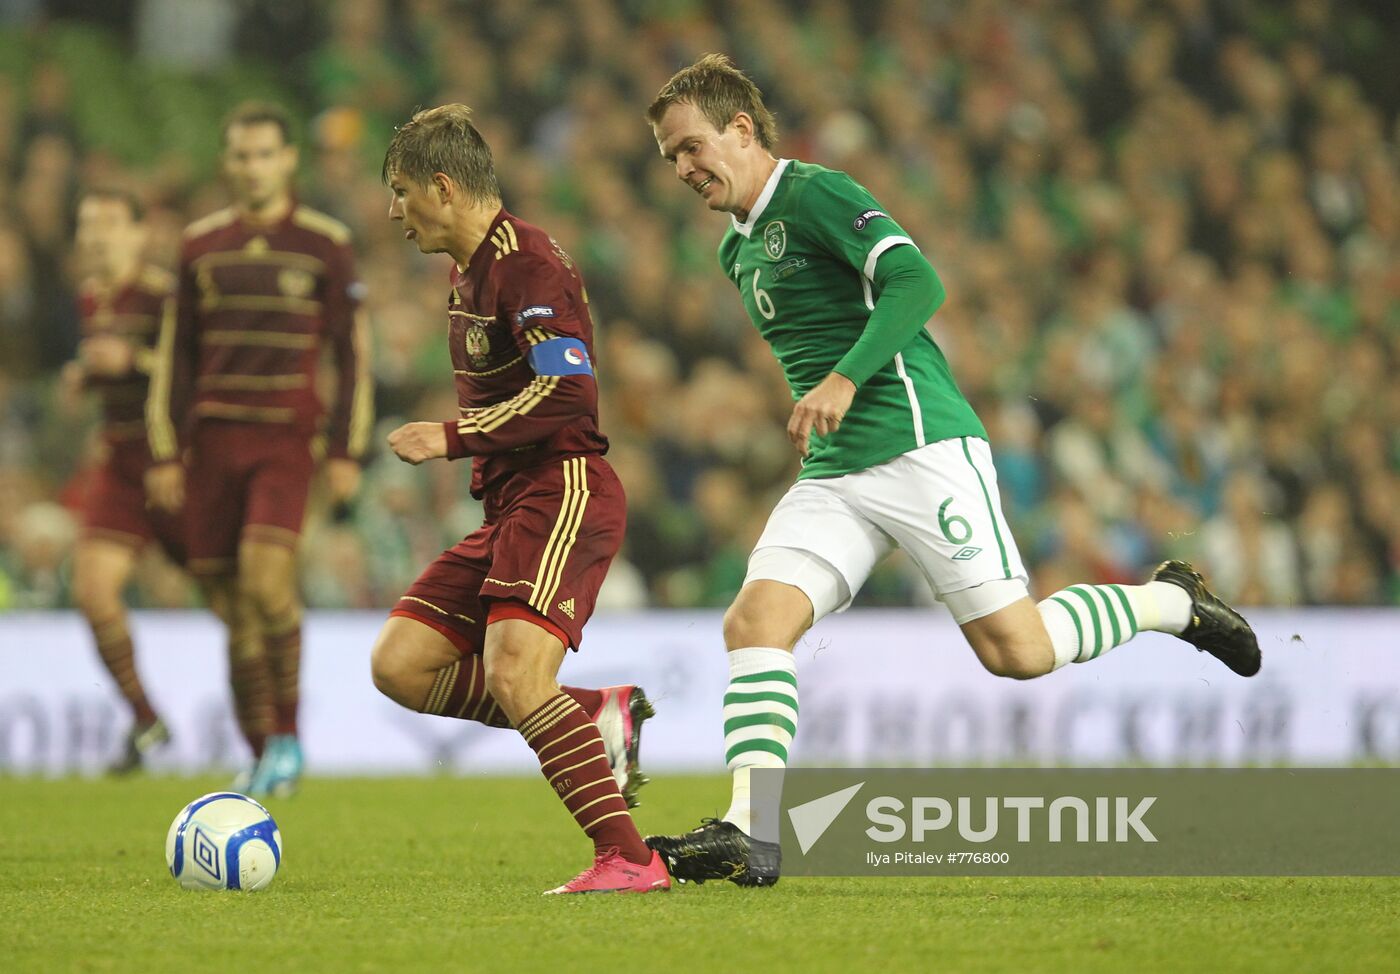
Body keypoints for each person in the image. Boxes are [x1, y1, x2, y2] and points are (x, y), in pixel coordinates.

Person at [644, 54, 1261, 887]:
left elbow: (916, 280)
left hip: (920, 446)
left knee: (1019, 653)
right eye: (670, 158)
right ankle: (751, 832)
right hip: (834, 472)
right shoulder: (736, 248)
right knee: (754, 624)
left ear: (742, 129)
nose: (682, 168)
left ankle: (1171, 600)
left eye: (690, 147)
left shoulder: (817, 193)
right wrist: (821, 396)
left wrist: (842, 379)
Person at [369, 104, 669, 895]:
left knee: (512, 673)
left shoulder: (525, 264)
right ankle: (594, 711)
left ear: (442, 187)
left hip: (561, 488)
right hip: (511, 508)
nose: (394, 213)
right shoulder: (470, 270)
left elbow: (570, 394)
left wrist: (453, 434)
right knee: (400, 664)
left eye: (401, 192)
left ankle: (630, 860)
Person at [146, 102, 372, 796]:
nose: (252, 168)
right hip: (212, 445)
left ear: (289, 160)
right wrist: (163, 451)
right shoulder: (199, 247)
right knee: (232, 608)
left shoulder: (324, 244)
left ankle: (287, 740)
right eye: (241, 156)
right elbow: (174, 359)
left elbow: (352, 354)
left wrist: (346, 450)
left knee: (267, 583)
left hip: (284, 439)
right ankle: (261, 750)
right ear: (227, 163)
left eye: (265, 154)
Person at [65, 188, 183, 773]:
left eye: (110, 222)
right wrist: (84, 376)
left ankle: (271, 730)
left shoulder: (164, 296)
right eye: (88, 223)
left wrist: (131, 361)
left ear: (140, 233)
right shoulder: (92, 298)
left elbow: (193, 368)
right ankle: (145, 718)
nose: (96, 235)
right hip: (118, 464)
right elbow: (108, 365)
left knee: (233, 598)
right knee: (92, 592)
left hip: (175, 464)